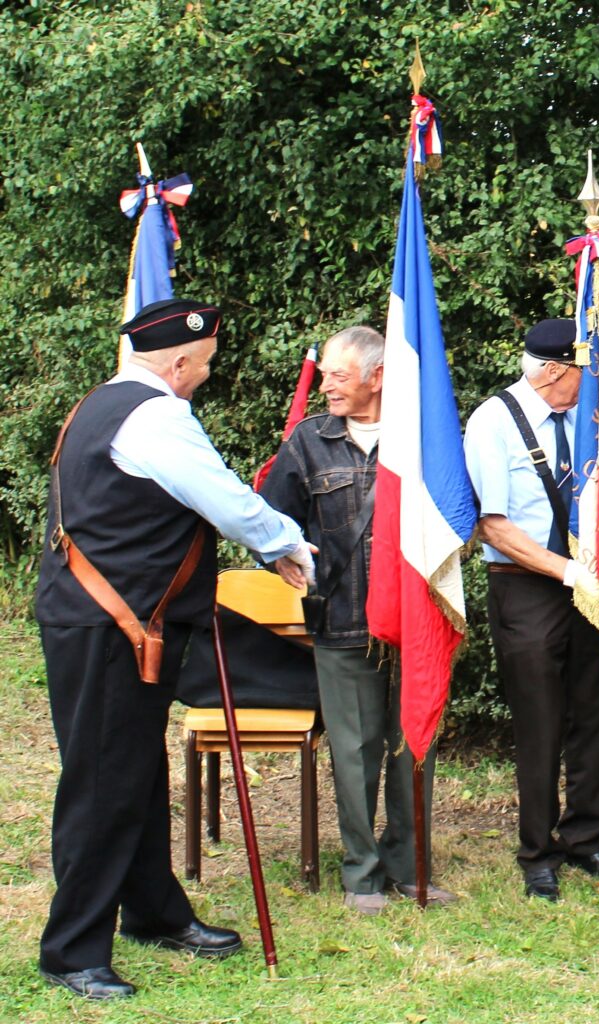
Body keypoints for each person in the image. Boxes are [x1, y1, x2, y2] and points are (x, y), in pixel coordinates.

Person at [34, 298, 315, 1001]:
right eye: (205, 366)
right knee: (101, 784)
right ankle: (71, 952)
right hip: (114, 627)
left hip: (112, 623)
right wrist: (284, 544)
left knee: (131, 772)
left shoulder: (101, 402)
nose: (204, 378)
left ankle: (154, 913)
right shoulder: (156, 415)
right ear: (180, 360)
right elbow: (218, 495)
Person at [260, 325, 456, 915]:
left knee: (412, 746)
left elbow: (455, 512)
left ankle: (409, 868)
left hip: (414, 623)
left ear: (377, 377)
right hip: (342, 623)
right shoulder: (307, 442)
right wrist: (280, 556)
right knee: (354, 752)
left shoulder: (421, 438)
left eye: (339, 376)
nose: (327, 387)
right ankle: (362, 874)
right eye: (325, 377)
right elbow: (268, 519)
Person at [464, 319, 599, 902]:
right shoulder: (492, 421)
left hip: (588, 583)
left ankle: (585, 837)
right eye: (582, 371)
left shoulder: (585, 417)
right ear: (553, 370)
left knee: (591, 715)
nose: (588, 382)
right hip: (525, 587)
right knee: (540, 722)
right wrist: (564, 571)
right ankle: (537, 851)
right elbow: (493, 526)